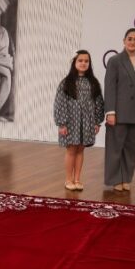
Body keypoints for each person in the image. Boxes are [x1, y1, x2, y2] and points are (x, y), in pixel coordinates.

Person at [103, 28, 135, 192]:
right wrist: (110, 112)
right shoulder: (115, 60)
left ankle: (126, 178)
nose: (132, 42)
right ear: (124, 41)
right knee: (115, 148)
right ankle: (115, 179)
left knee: (132, 148)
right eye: (129, 38)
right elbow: (109, 87)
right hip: (119, 112)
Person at [53, 50, 104, 192]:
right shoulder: (66, 82)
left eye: (86, 61)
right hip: (71, 123)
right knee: (71, 150)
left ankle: (77, 179)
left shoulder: (93, 83)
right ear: (74, 63)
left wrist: (97, 121)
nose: (83, 63)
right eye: (80, 60)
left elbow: (99, 102)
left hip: (87, 123)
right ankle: (68, 179)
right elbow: (60, 103)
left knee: (81, 150)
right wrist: (62, 123)